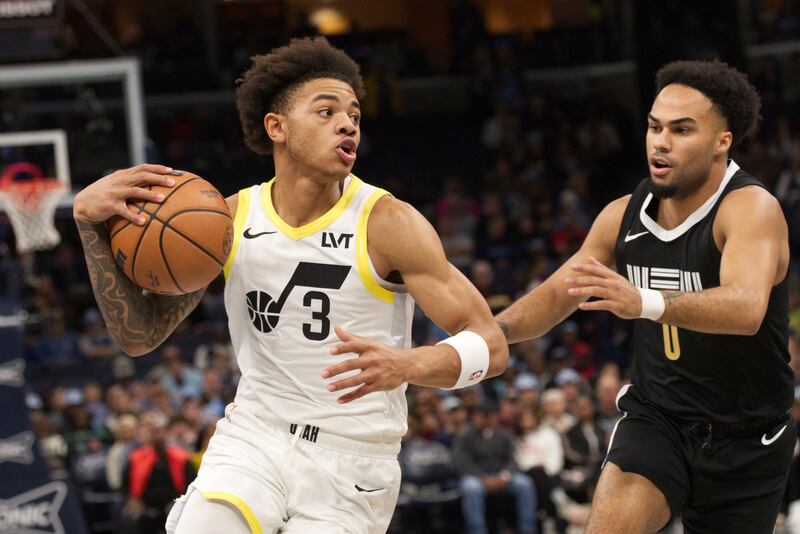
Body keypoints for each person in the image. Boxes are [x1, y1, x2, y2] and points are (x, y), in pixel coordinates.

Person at [73, 36, 508, 534]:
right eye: (326, 112)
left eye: (354, 115)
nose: (347, 123)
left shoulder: (389, 223)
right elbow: (140, 336)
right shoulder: (228, 219)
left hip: (352, 459)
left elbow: (491, 347)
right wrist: (90, 227)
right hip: (256, 437)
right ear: (276, 127)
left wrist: (407, 364)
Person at [496, 59, 794, 533]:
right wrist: (493, 333)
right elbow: (560, 292)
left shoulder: (751, 209)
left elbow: (746, 307)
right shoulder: (622, 214)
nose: (660, 141)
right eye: (654, 126)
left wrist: (645, 301)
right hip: (660, 420)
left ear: (722, 141)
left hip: (748, 438)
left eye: (681, 129)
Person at [454, 402, 537, 534]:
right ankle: (477, 530)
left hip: (502, 476)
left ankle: (527, 529)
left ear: (495, 417)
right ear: (475, 417)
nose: (486, 419)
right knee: (471, 487)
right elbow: (463, 462)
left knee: (525, 483)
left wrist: (504, 475)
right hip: (478, 477)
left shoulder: (504, 435)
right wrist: (482, 477)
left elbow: (513, 460)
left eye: (490, 415)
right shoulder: (466, 437)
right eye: (482, 416)